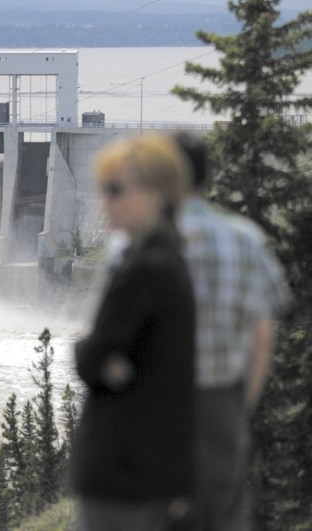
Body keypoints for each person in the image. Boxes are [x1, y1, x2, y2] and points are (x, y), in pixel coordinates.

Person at [71, 134, 196, 531]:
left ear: (157, 194)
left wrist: (101, 361)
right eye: (102, 189)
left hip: (122, 471)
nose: (104, 200)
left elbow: (91, 359)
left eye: (115, 189)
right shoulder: (170, 259)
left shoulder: (145, 269)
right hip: (152, 469)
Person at [172, 132, 289, 531]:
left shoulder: (137, 244)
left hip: (155, 406)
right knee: (223, 513)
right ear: (210, 177)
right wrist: (241, 403)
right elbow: (262, 335)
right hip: (221, 400)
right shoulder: (246, 240)